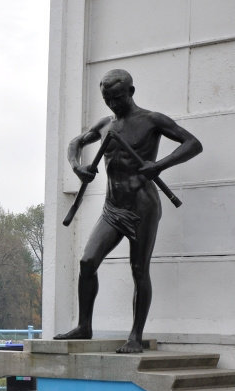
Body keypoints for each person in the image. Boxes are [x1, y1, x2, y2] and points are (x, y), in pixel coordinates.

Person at [54, 69, 203, 353]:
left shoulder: (152, 120)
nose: (112, 104)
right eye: (107, 99)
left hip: (143, 206)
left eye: (117, 98)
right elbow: (75, 143)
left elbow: (193, 143)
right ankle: (84, 326)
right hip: (113, 207)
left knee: (138, 269)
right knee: (87, 262)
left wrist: (159, 165)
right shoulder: (106, 125)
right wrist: (78, 168)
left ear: (131, 92)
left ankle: (135, 335)